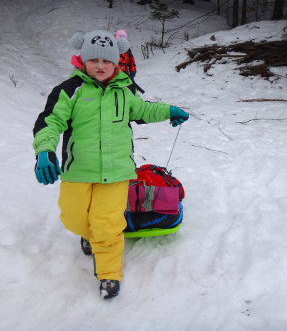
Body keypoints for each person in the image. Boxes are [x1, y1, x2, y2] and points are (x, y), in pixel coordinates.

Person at [32, 30, 189, 300]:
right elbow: (50, 122)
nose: (101, 66)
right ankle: (89, 235)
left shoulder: (125, 89)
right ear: (82, 61)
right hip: (78, 170)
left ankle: (109, 274)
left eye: (107, 62)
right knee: (73, 217)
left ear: (117, 63)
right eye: (94, 60)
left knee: (106, 224)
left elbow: (142, 110)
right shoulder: (70, 91)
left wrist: (168, 110)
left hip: (117, 172)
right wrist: (45, 150)